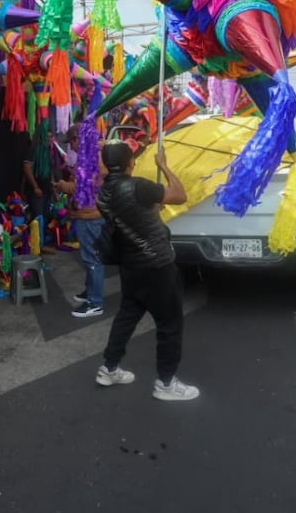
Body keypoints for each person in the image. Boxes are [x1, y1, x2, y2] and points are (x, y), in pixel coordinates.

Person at [93, 140, 198, 401]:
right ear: (131, 162)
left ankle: (109, 368)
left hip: (131, 266)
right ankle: (166, 384)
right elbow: (180, 194)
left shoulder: (103, 193)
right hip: (157, 266)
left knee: (127, 315)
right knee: (170, 324)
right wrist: (164, 165)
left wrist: (151, 207)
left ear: (107, 164)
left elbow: (130, 214)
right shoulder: (139, 185)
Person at [53, 128, 107, 318]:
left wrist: (63, 186)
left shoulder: (92, 157)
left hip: (90, 215)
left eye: (71, 142)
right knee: (90, 258)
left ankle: (95, 303)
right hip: (89, 213)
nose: (71, 147)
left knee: (93, 260)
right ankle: (90, 292)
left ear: (78, 139)